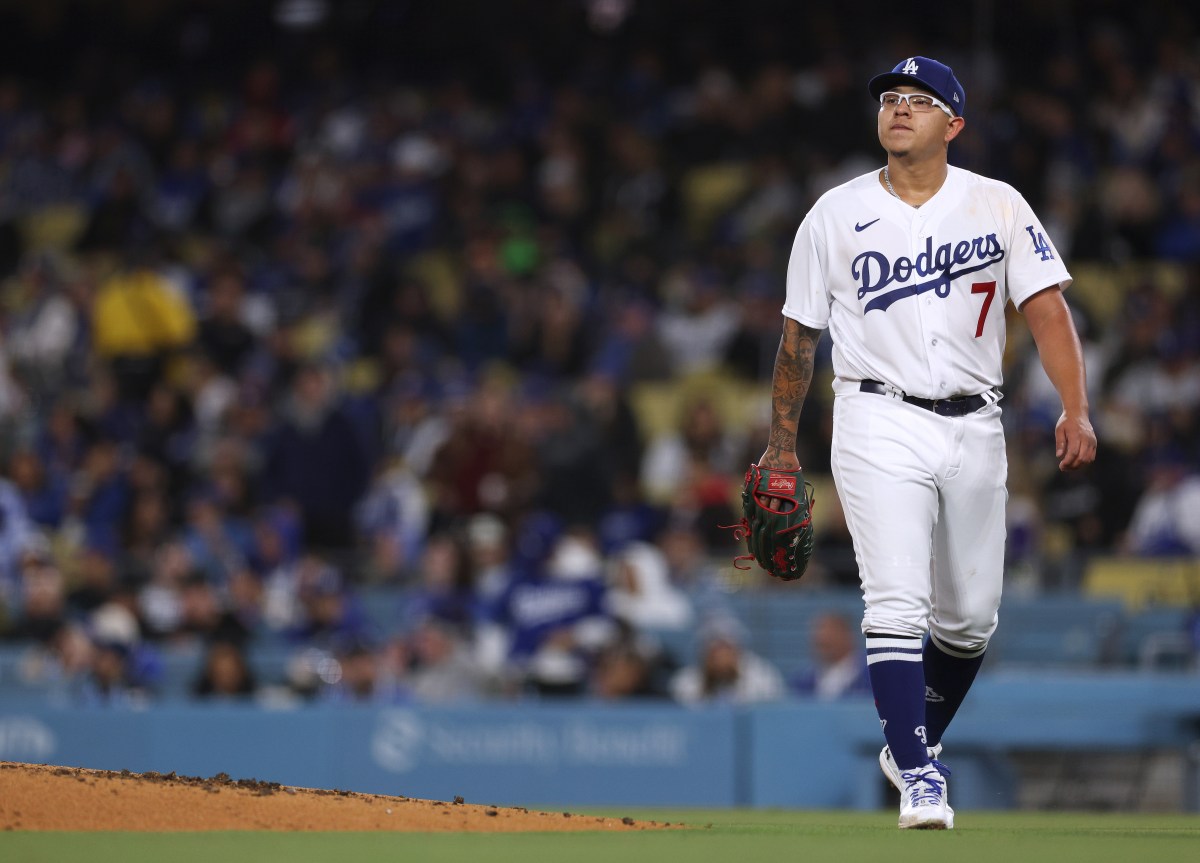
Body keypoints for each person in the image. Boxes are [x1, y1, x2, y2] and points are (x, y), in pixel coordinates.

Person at [761, 56, 1097, 829]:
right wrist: (781, 443)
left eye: (919, 99)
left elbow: (1047, 311)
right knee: (896, 599)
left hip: (977, 420)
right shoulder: (834, 214)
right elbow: (797, 339)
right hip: (876, 415)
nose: (899, 108)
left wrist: (1074, 409)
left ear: (955, 124)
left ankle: (911, 739)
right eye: (890, 97)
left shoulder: (997, 204)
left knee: (971, 619)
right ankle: (919, 772)